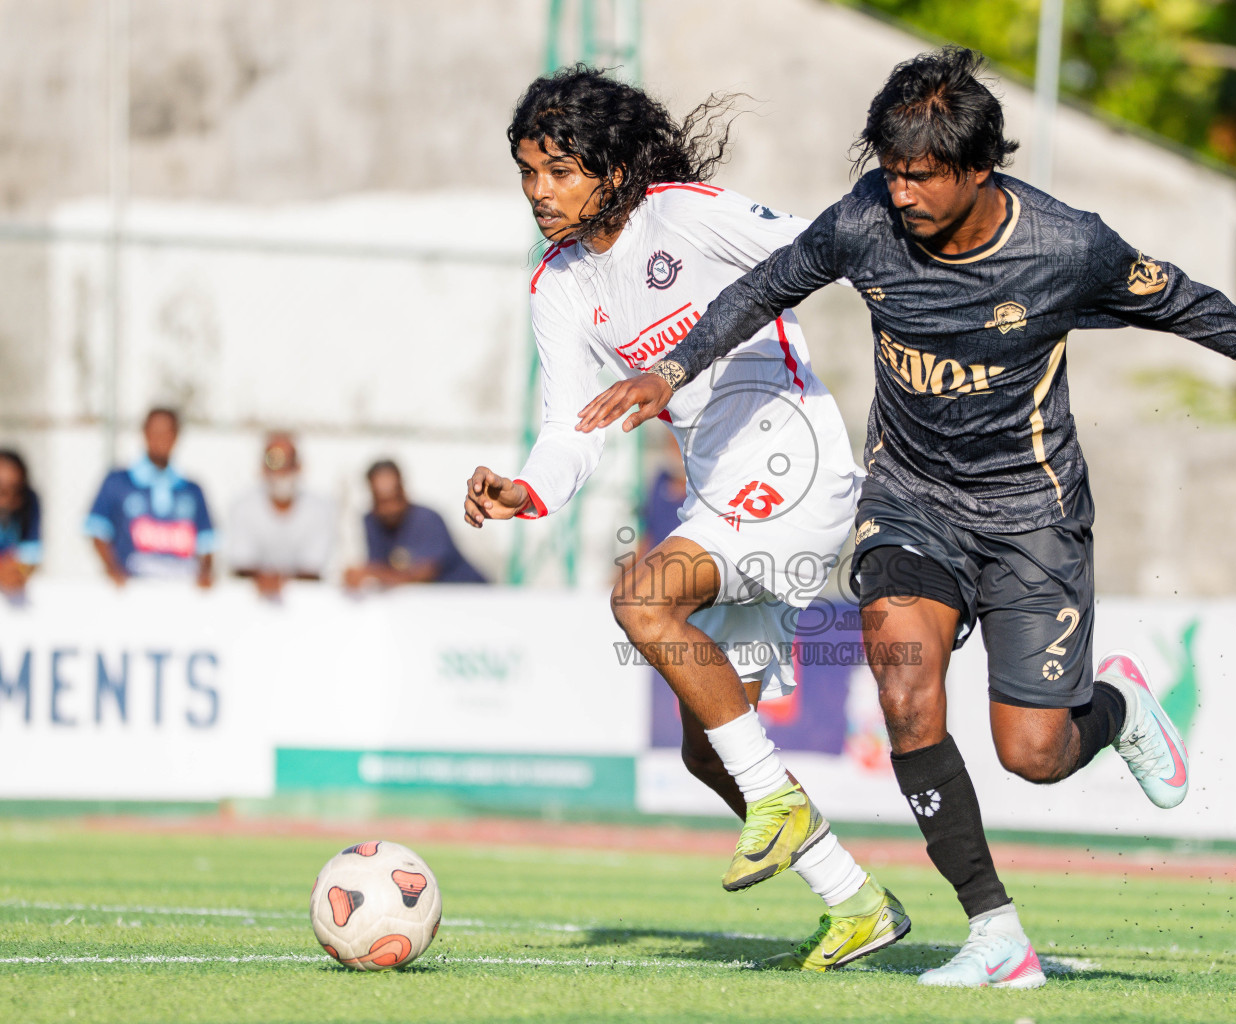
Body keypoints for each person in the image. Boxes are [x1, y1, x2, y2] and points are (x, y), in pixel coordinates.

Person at [577, 47, 1236, 988]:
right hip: (909, 500)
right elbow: (764, 286)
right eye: (891, 170)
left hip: (1031, 517)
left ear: (979, 169)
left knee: (1035, 753)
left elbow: (1184, 301)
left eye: (922, 175)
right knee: (904, 693)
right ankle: (995, 932)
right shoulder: (864, 221)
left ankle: (1118, 707)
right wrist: (671, 369)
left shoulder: (1065, 246)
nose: (902, 192)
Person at [463, 67, 908, 971]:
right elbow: (571, 425)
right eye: (528, 174)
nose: (539, 192)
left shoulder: (683, 215)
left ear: (614, 169)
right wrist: (528, 489)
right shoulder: (558, 286)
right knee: (710, 753)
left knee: (641, 599)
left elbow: (816, 246)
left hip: (795, 470)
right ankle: (856, 903)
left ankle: (780, 810)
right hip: (722, 498)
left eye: (559, 172)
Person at [85, 408, 217, 586]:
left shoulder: (192, 490)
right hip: (133, 590)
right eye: (155, 432)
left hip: (181, 591)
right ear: (144, 434)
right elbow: (97, 529)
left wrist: (205, 573)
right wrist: (112, 569)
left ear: (176, 437)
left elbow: (206, 542)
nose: (161, 438)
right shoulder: (118, 482)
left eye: (167, 432)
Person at [226, 433, 337, 597]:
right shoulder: (242, 508)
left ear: (299, 466)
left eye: (288, 462)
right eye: (273, 461)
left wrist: (278, 582)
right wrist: (266, 580)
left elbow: (313, 570)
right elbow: (241, 566)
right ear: (262, 468)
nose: (281, 471)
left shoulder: (320, 510)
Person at [347, 460, 485, 588]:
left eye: (394, 497)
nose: (390, 508)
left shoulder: (428, 519)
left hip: (472, 595)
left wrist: (372, 573)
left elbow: (423, 574)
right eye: (381, 500)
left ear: (402, 490)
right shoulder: (372, 522)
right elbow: (378, 566)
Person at [0, 449, 42, 596]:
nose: (8, 498)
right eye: (2, 490)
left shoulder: (29, 502)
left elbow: (32, 554)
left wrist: (19, 572)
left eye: (16, 490)